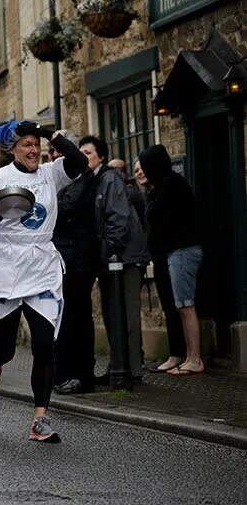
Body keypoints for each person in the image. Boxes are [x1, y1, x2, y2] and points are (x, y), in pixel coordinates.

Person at [0, 120, 88, 443]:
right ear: (11, 148)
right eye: (26, 144)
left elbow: (80, 162)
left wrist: (46, 131)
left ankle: (40, 419)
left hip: (41, 262)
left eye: (36, 144)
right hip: (6, 264)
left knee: (44, 344)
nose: (33, 150)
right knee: (5, 348)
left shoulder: (50, 173)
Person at [80, 136, 150, 384]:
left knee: (128, 314)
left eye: (88, 152)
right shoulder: (92, 181)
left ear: (100, 156)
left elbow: (118, 218)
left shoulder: (109, 178)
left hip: (125, 258)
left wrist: (109, 253)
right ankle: (117, 366)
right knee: (112, 314)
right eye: (81, 153)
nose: (84, 156)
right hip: (109, 259)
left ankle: (132, 371)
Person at [138, 145, 204, 376]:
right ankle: (187, 356)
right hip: (174, 251)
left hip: (182, 251)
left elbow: (159, 216)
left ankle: (194, 358)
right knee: (180, 305)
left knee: (185, 305)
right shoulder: (164, 185)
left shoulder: (171, 185)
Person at [49, 132, 99, 395]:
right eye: (51, 154)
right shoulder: (56, 179)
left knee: (77, 318)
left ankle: (81, 375)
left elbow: (66, 207)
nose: (54, 159)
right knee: (61, 319)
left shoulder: (81, 175)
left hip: (77, 261)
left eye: (58, 153)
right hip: (59, 259)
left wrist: (44, 203)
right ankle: (62, 373)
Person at [133, 159, 186, 372]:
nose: (139, 173)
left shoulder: (166, 190)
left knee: (180, 305)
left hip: (172, 253)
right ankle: (176, 353)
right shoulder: (148, 196)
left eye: (143, 169)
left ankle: (183, 354)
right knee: (169, 306)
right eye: (136, 170)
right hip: (158, 257)